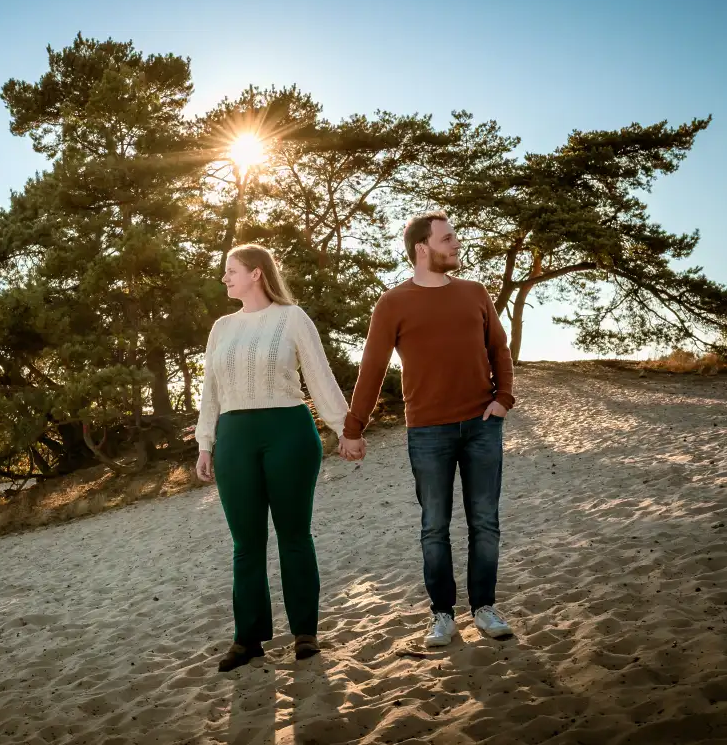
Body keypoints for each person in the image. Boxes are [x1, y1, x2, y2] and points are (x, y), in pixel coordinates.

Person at [339, 211, 516, 648]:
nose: (457, 244)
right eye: (448, 238)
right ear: (423, 247)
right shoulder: (393, 302)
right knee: (434, 525)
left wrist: (503, 399)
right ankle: (442, 615)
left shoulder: (475, 293)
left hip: (482, 425)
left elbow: (499, 348)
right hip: (427, 432)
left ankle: (484, 608)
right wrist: (353, 427)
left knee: (485, 522)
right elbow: (373, 368)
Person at [195, 243, 355, 672]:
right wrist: (204, 442)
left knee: (294, 535)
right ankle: (247, 639)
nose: (225, 278)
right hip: (234, 437)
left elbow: (319, 374)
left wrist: (345, 428)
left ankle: (305, 633)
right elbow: (210, 390)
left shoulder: (292, 318)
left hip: (288, 432)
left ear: (257, 274)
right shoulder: (221, 328)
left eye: (231, 270)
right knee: (246, 543)